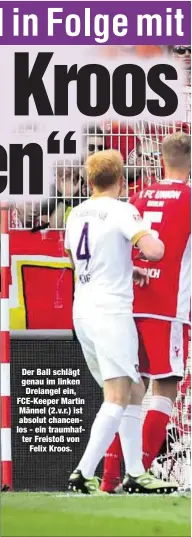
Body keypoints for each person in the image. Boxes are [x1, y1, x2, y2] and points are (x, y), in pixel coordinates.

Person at [64, 149, 172, 495]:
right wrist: (148, 246)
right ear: (122, 180)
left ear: (91, 180)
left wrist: (128, 267)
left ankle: (136, 473)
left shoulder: (76, 212)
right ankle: (83, 470)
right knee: (118, 395)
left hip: (83, 310)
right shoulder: (124, 210)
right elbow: (155, 250)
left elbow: (74, 257)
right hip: (112, 312)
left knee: (134, 391)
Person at [100, 131, 191, 492]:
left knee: (126, 392)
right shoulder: (188, 198)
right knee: (166, 387)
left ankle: (108, 479)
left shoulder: (138, 196)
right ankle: (141, 474)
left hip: (128, 304)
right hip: (167, 307)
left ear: (161, 160)